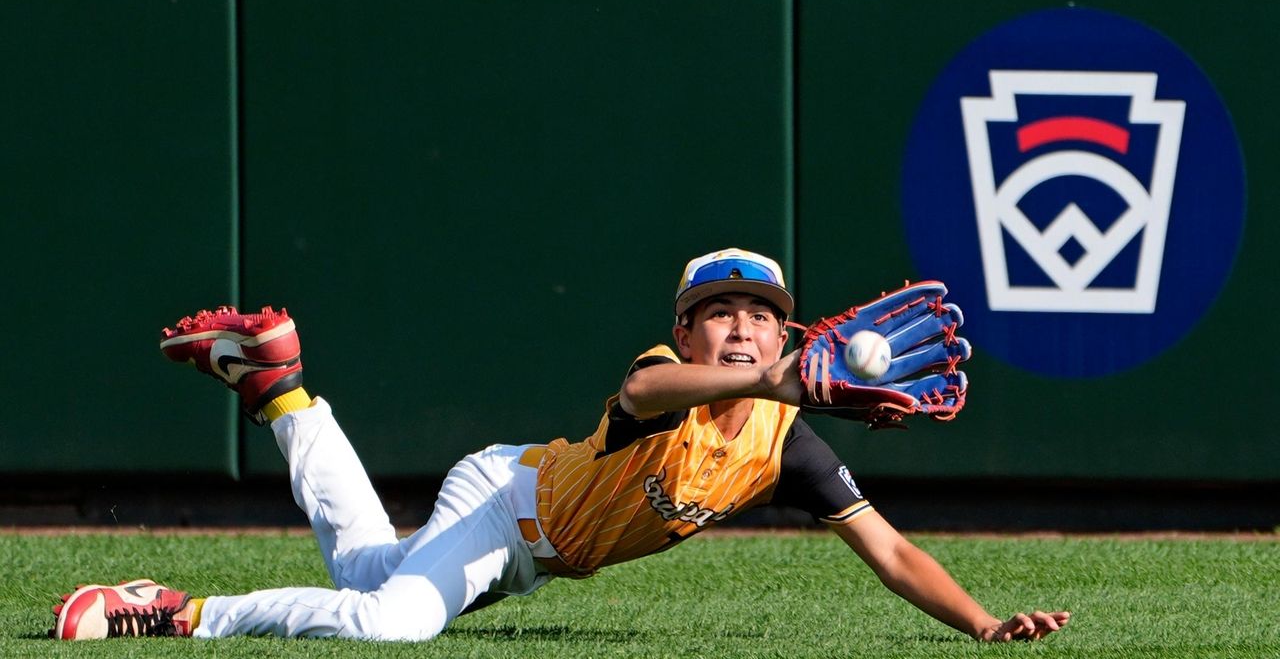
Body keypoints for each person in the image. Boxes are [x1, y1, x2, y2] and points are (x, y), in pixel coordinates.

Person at [51, 248, 1069, 642]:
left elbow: (889, 549)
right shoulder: (669, 376)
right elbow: (640, 389)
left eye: (761, 315)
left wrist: (983, 626)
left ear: (792, 331)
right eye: (717, 312)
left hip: (536, 548)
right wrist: (762, 375)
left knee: (365, 573)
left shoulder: (784, 443)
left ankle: (280, 386)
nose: (741, 327)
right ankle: (177, 611)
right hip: (507, 500)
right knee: (391, 623)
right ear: (684, 329)